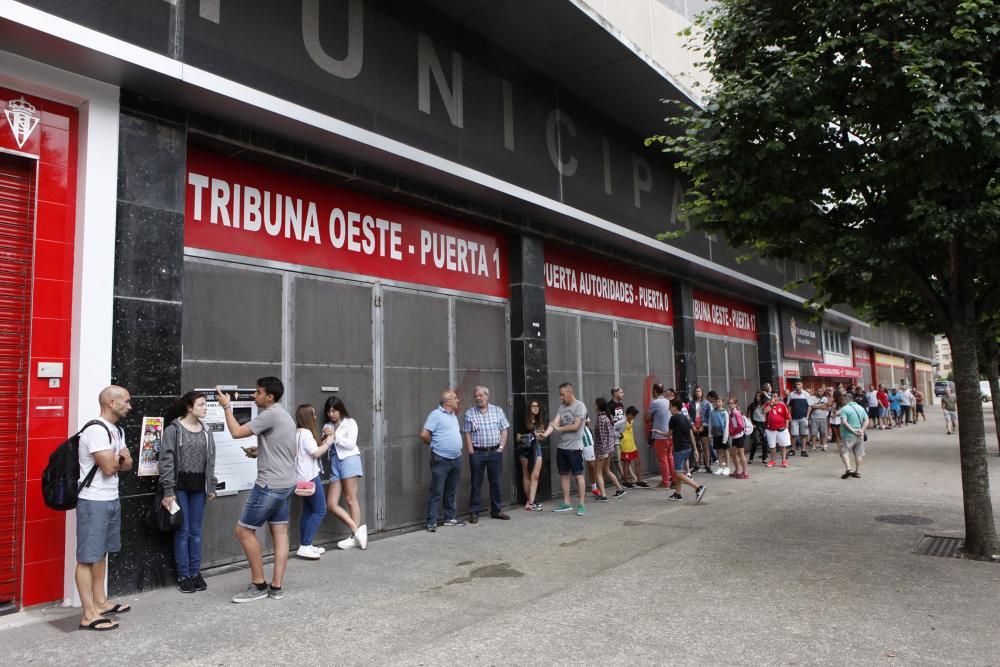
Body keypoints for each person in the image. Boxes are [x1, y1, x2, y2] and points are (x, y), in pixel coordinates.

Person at [217, 378, 297, 603]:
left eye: (258, 392)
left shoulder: (269, 414)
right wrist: (260, 451)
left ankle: (259, 585)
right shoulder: (283, 414)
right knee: (280, 533)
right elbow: (284, 449)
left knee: (243, 532)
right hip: (286, 483)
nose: (254, 395)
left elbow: (235, 432)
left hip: (269, 484)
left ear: (269, 397)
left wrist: (226, 405)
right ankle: (276, 587)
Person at [75, 386, 132, 631]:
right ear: (111, 402)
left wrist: (120, 459)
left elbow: (127, 464)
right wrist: (119, 459)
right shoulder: (97, 430)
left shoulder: (116, 431)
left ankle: (100, 602)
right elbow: (109, 468)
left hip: (110, 497)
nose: (129, 406)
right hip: (93, 501)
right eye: (126, 402)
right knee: (88, 557)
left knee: (102, 553)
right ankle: (88, 614)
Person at [159, 391, 217, 593]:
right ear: (189, 408)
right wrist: (168, 490)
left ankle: (195, 572)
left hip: (199, 486)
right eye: (201, 404)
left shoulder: (206, 431)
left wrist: (212, 485)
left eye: (205, 404)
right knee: (182, 531)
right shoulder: (173, 430)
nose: (205, 407)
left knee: (196, 531)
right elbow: (166, 461)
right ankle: (184, 575)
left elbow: (211, 459)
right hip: (179, 487)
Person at [322, 396, 368, 549]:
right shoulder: (327, 425)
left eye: (334, 410)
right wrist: (325, 438)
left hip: (349, 459)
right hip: (334, 462)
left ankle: (354, 537)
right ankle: (357, 531)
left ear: (340, 410)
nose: (331, 414)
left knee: (350, 499)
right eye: (329, 411)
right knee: (331, 504)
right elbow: (324, 446)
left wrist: (335, 436)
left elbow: (350, 444)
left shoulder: (350, 422)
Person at [463, 385, 511, 522]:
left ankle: (496, 510)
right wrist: (471, 452)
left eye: (481, 395)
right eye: (476, 396)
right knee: (476, 483)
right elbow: (467, 434)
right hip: (477, 453)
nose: (478, 398)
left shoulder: (498, 411)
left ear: (487, 396)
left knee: (495, 482)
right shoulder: (469, 413)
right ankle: (474, 512)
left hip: (495, 452)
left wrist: (501, 448)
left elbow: (504, 430)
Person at [539, 382, 588, 516]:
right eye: (560, 395)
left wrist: (559, 428)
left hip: (575, 448)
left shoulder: (580, 406)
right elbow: (554, 423)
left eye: (562, 395)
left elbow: (576, 426)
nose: (561, 398)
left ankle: (582, 504)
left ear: (569, 392)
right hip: (562, 447)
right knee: (564, 475)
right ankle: (567, 503)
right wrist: (545, 434)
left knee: (578, 475)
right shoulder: (561, 407)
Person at [421, 390, 466, 531]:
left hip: (456, 459)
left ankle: (449, 518)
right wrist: (433, 445)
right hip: (441, 459)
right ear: (447, 402)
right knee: (436, 491)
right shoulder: (436, 414)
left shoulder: (453, 416)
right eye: (455, 398)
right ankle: (431, 521)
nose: (457, 400)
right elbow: (424, 434)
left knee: (451, 490)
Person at [293, 404, 331, 560]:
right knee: (320, 510)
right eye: (313, 415)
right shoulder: (306, 433)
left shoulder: (296, 433)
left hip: (301, 477)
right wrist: (329, 441)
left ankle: (306, 544)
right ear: (307, 417)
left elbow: (310, 451)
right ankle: (305, 545)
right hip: (310, 477)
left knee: (308, 511)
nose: (315, 417)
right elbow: (315, 453)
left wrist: (322, 440)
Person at [666, 399, 707, 503]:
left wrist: (658, 432)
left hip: (679, 449)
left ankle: (698, 488)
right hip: (687, 448)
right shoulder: (685, 417)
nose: (668, 409)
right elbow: (691, 433)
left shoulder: (673, 418)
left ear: (675, 407)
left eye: (670, 406)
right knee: (679, 471)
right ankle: (677, 494)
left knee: (678, 474)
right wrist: (695, 450)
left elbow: (669, 434)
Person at [593, 397, 626, 500]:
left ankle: (603, 494)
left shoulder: (601, 419)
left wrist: (602, 452)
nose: (594, 406)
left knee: (598, 472)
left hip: (603, 450)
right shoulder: (607, 418)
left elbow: (602, 436)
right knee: (606, 470)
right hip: (609, 448)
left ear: (598, 406)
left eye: (595, 404)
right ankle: (619, 488)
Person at [518, 400, 546, 511]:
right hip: (524, 448)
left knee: (535, 475)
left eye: (537, 406)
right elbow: (517, 437)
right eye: (533, 406)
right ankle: (531, 501)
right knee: (526, 475)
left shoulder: (539, 421)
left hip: (536, 448)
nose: (535, 408)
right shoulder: (523, 421)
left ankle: (530, 502)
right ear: (529, 408)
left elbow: (542, 436)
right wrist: (529, 436)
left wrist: (540, 435)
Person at [646, 383, 674, 488]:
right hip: (670, 434)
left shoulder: (655, 403)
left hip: (660, 436)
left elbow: (647, 418)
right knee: (670, 458)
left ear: (654, 391)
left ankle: (665, 482)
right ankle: (674, 480)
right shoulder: (669, 402)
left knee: (663, 459)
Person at [836, 391, 869, 478]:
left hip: (848, 435)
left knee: (844, 451)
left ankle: (848, 469)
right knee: (858, 453)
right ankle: (857, 472)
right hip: (860, 434)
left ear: (846, 399)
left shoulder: (845, 409)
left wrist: (853, 431)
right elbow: (866, 420)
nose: (841, 402)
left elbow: (844, 422)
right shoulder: (860, 408)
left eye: (842, 400)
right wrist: (862, 430)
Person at [618, 406, 648, 488]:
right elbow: (613, 428)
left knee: (638, 462)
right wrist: (619, 436)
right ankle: (625, 482)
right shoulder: (621, 422)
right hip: (625, 446)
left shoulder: (631, 420)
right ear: (629, 415)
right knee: (626, 464)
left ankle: (639, 481)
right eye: (633, 416)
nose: (634, 418)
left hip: (632, 445)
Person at [688, 385, 713, 473]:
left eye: (699, 391)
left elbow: (708, 415)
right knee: (695, 447)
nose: (697, 393)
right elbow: (689, 415)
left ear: (702, 392)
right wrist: (692, 425)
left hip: (703, 427)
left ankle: (707, 466)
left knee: (705, 447)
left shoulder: (706, 403)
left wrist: (703, 426)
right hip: (694, 426)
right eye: (696, 391)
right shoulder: (691, 403)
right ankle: (696, 465)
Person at [764, 393, 792, 468]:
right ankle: (772, 460)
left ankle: (784, 461)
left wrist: (786, 428)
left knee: (783, 445)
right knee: (772, 446)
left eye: (775, 396)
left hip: (781, 429)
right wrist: (771, 405)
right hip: (770, 429)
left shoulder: (782, 405)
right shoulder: (768, 404)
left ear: (778, 397)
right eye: (772, 396)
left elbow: (787, 417)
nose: (773, 397)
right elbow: (764, 412)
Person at [707, 391, 731, 475]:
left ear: (722, 402)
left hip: (723, 435)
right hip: (715, 435)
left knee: (725, 451)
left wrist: (725, 437)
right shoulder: (712, 412)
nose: (717, 403)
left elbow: (727, 425)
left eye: (719, 401)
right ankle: (720, 467)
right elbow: (710, 423)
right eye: (716, 401)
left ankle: (727, 467)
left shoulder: (724, 412)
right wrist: (710, 434)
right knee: (718, 451)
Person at [606, 387, 627, 481]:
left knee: (625, 456)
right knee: (617, 458)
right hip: (614, 435)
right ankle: (624, 477)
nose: (623, 394)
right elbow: (610, 422)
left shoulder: (621, 405)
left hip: (622, 434)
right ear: (615, 393)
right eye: (621, 392)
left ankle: (626, 475)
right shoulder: (609, 405)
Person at [786, 380, 811, 457]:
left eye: (799, 384)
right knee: (794, 434)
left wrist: (807, 416)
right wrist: (789, 416)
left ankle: (803, 451)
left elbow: (810, 406)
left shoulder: (806, 394)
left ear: (802, 385)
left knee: (804, 434)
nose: (797, 385)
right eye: (796, 384)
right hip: (794, 418)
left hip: (803, 417)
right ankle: (793, 450)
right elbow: (789, 406)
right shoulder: (791, 394)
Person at [727, 397, 749, 479]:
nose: (729, 405)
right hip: (735, 436)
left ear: (735, 404)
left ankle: (745, 472)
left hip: (739, 435)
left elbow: (740, 425)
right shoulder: (731, 413)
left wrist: (733, 432)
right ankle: (738, 470)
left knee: (740, 453)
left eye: (731, 403)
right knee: (733, 454)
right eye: (729, 403)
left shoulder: (736, 413)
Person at [747, 390, 768, 464]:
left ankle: (764, 458)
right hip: (756, 424)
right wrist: (751, 423)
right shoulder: (752, 405)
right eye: (756, 396)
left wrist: (766, 394)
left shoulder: (765, 404)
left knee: (764, 441)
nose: (757, 397)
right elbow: (748, 416)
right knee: (755, 441)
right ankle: (751, 458)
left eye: (759, 396)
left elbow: (771, 401)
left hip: (764, 424)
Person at [808, 387, 831, 451]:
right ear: (816, 391)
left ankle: (823, 446)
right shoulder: (812, 398)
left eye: (821, 391)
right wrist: (820, 405)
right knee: (814, 433)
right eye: (819, 391)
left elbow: (825, 406)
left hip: (823, 417)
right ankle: (814, 446)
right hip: (814, 418)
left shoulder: (825, 398)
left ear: (823, 392)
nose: (820, 393)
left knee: (823, 433)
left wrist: (816, 406)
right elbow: (812, 406)